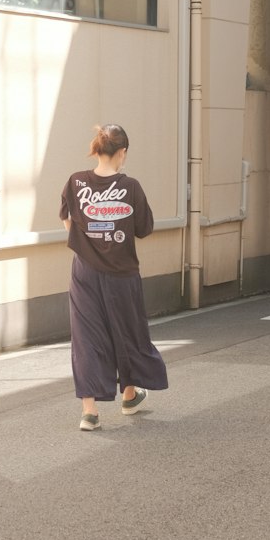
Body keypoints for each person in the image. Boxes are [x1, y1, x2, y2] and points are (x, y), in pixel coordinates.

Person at [60, 123, 168, 432]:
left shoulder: (75, 182)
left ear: (96, 150)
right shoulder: (130, 186)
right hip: (122, 274)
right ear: (122, 152)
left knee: (86, 337)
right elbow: (144, 229)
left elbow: (67, 221)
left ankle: (90, 412)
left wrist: (88, 243)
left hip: (84, 273)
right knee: (127, 332)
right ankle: (129, 394)